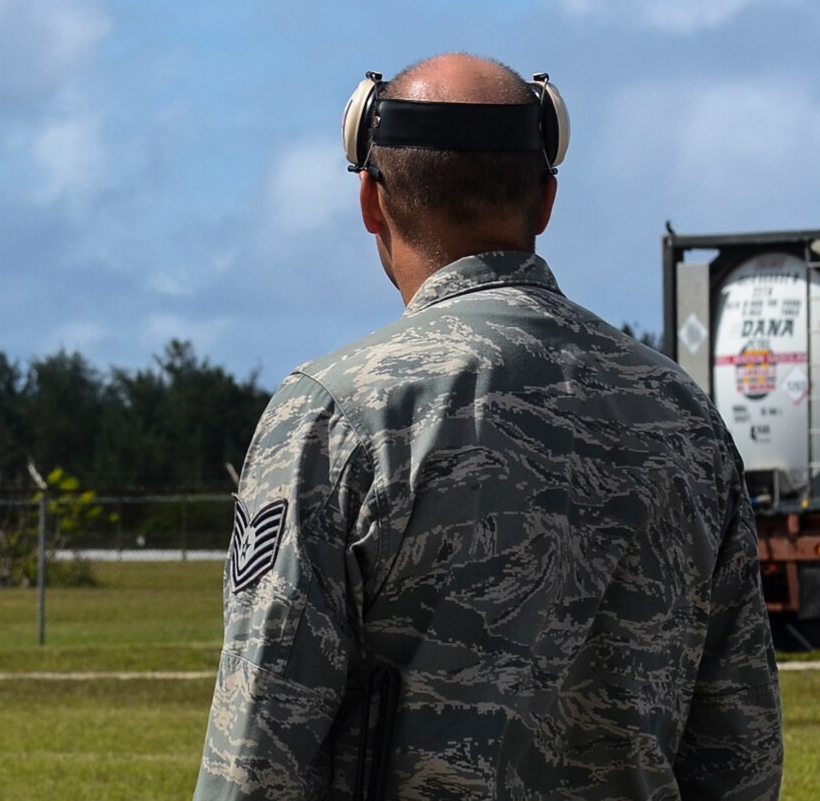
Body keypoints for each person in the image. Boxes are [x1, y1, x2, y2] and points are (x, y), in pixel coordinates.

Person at [194, 54, 782, 800]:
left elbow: (258, 755)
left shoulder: (334, 416)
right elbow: (741, 752)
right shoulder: (685, 417)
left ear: (372, 202)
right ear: (546, 201)